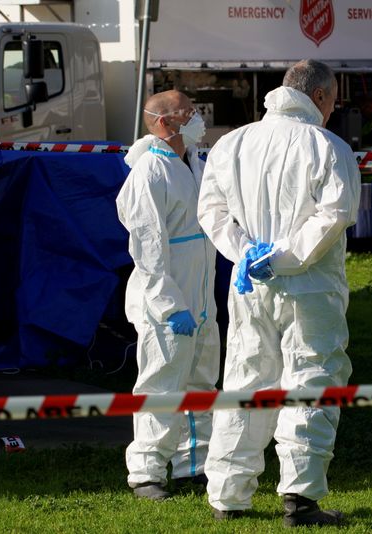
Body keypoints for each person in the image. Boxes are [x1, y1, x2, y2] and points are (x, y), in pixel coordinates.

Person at [197, 59, 360, 527]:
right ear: (323, 98)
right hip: (310, 286)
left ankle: (228, 495)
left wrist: (246, 253)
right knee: (312, 378)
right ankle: (301, 498)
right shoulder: (327, 146)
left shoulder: (232, 143)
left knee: (246, 380)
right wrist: (284, 258)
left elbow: (210, 211)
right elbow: (333, 216)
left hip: (250, 285)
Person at [116, 90, 220, 501]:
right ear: (165, 123)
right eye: (188, 113)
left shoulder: (191, 162)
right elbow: (147, 247)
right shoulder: (149, 172)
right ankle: (146, 472)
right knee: (161, 383)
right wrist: (168, 304)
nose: (197, 119)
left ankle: (193, 463)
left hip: (199, 291)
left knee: (200, 379)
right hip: (168, 298)